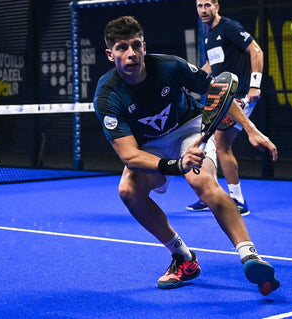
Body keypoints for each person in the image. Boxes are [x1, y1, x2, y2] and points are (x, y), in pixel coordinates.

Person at [93, 16, 280, 295]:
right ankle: (183, 258)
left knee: (201, 182)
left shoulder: (170, 66)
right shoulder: (108, 95)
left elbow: (219, 91)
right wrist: (175, 165)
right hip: (149, 146)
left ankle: (250, 255)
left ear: (145, 47)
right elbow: (130, 155)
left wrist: (251, 129)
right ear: (110, 54)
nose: (131, 54)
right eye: (122, 48)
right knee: (128, 190)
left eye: (136, 46)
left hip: (189, 129)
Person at [187, 0, 264, 215]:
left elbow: (256, 51)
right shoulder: (207, 34)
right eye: (200, 6)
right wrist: (191, 81)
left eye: (207, 5)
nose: (203, 10)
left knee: (221, 145)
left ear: (216, 7)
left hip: (241, 95)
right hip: (222, 97)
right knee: (206, 143)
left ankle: (238, 201)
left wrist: (255, 84)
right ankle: (209, 193)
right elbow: (212, 64)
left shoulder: (229, 27)